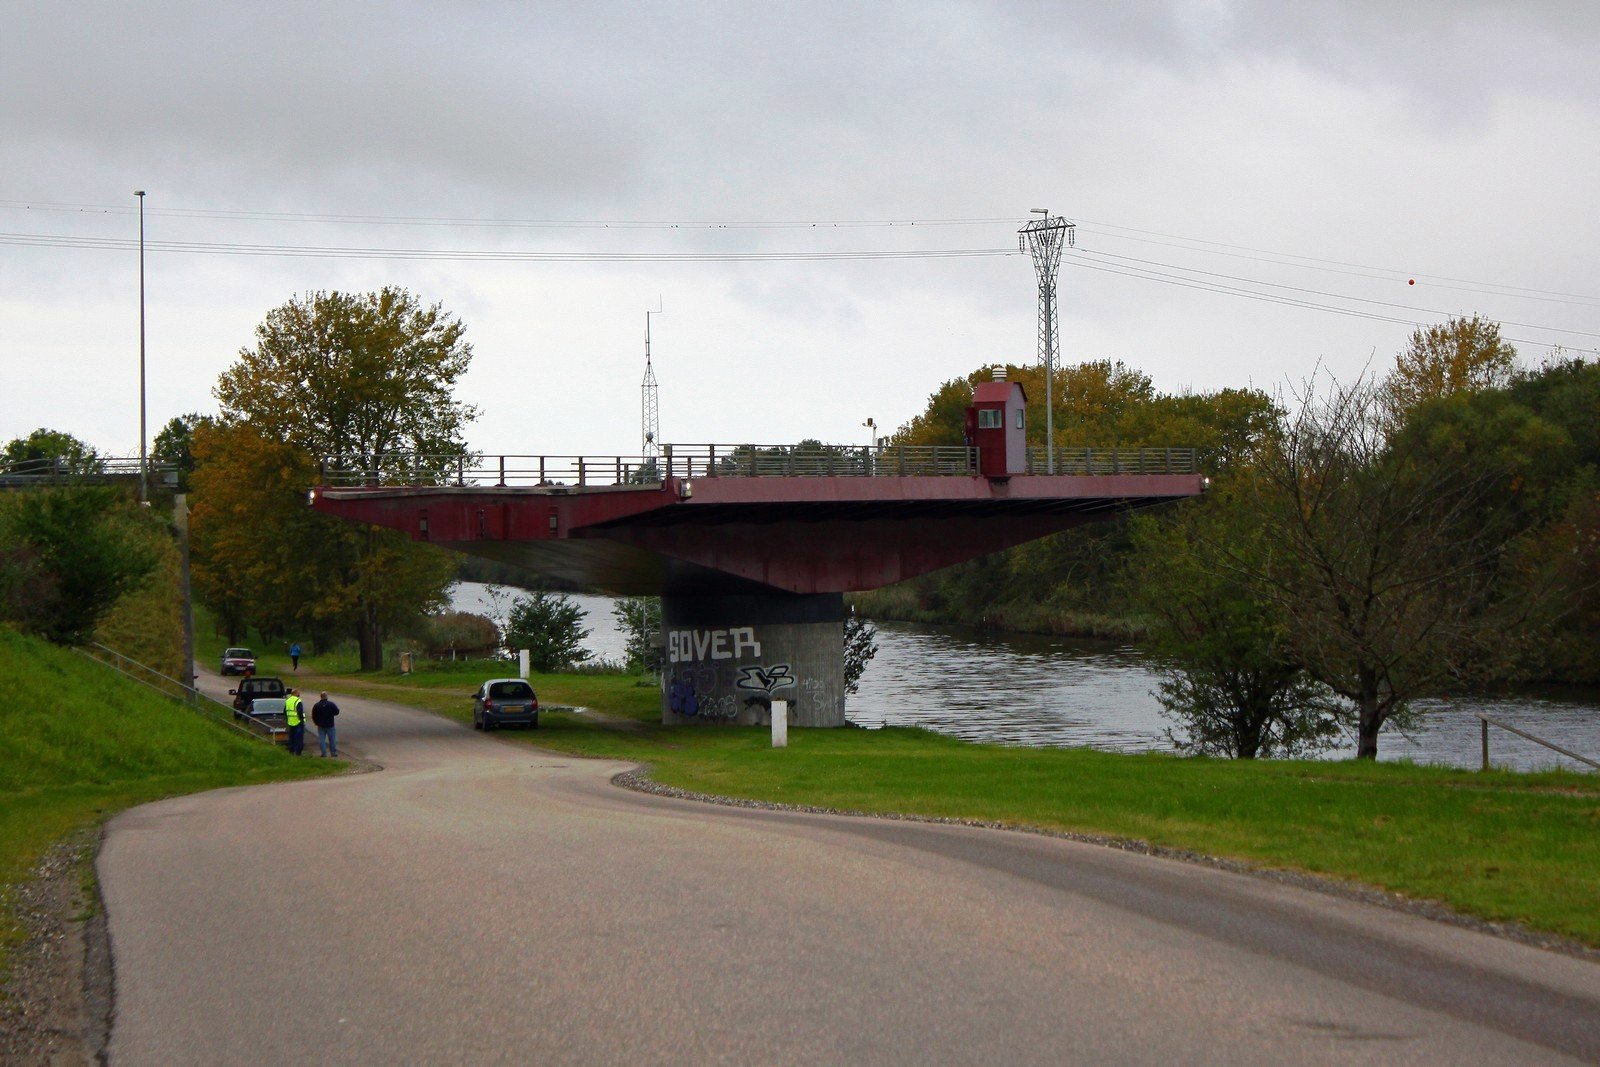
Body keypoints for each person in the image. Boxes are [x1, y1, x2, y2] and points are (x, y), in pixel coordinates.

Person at [312, 691, 340, 758]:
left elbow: (314, 715)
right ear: (326, 696)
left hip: (320, 725)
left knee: (322, 740)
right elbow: (337, 712)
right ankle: (333, 753)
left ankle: (324, 753)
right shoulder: (331, 704)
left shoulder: (316, 705)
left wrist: (316, 722)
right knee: (332, 739)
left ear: (321, 697)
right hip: (330, 724)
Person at [284, 689, 306, 755]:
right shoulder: (298, 701)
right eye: (298, 693)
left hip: (290, 722)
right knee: (299, 738)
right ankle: (298, 752)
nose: (299, 694)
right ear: (296, 693)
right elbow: (300, 712)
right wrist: (302, 720)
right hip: (298, 722)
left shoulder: (287, 701)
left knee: (291, 737)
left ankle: (291, 750)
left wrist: (288, 718)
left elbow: (285, 711)